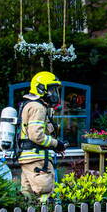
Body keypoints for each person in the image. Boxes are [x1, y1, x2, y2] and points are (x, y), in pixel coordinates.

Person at [19, 71, 67, 200]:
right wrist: (57, 144)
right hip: (37, 158)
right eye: (51, 90)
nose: (54, 94)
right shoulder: (37, 107)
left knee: (27, 194)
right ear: (41, 88)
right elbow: (36, 135)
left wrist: (54, 146)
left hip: (29, 157)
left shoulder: (30, 105)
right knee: (45, 192)